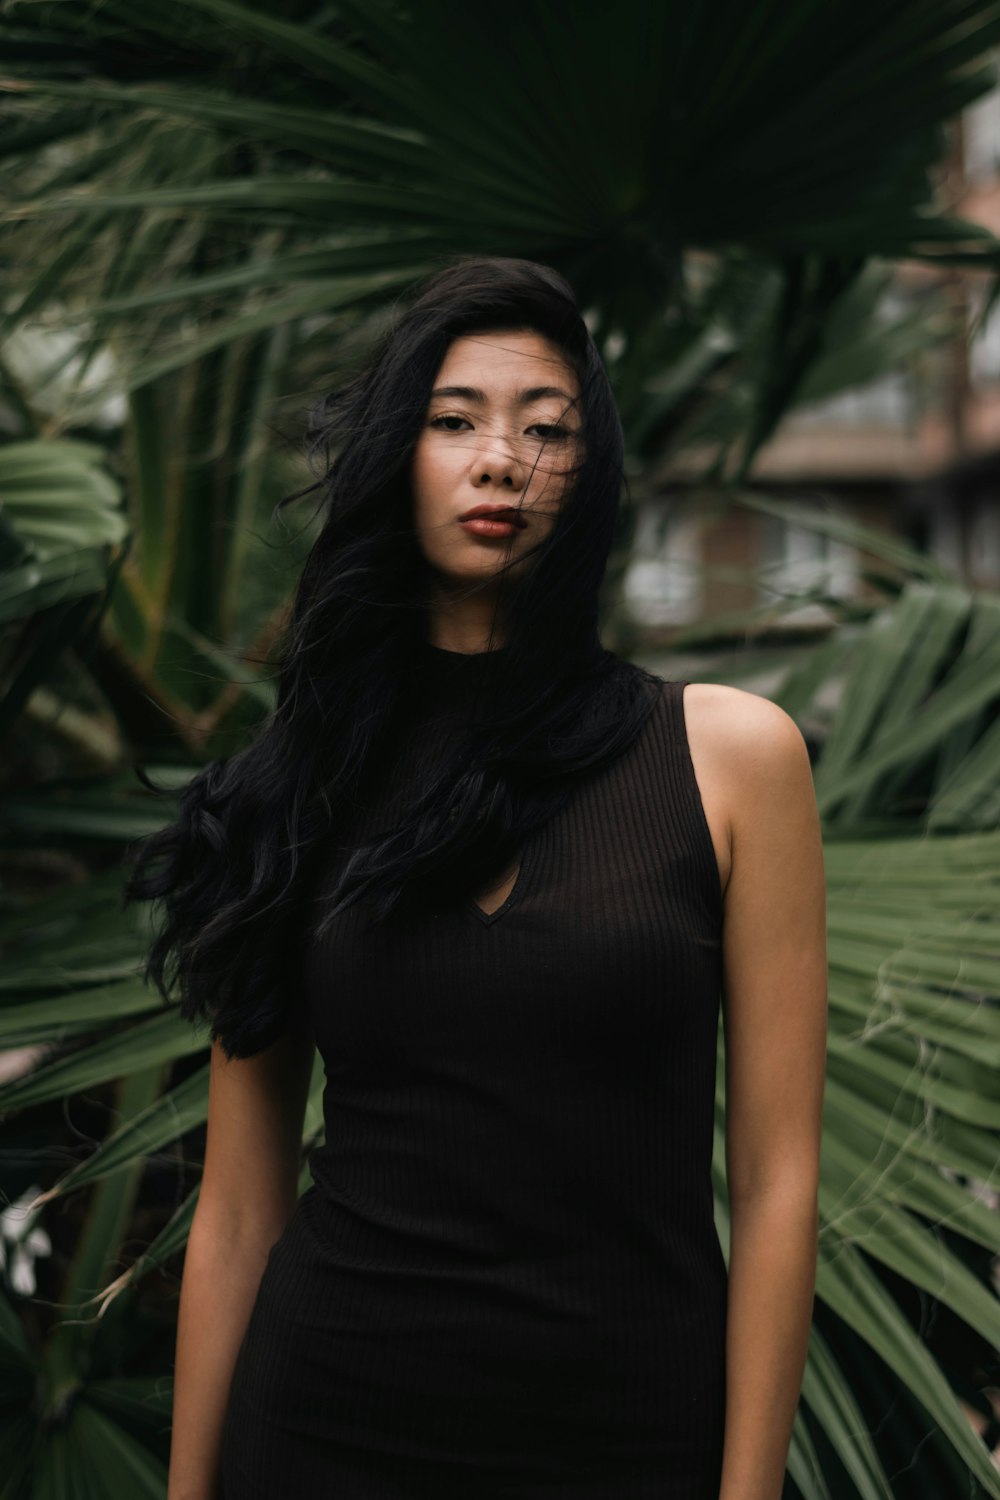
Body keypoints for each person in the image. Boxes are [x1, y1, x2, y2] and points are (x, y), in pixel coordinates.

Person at [126, 256, 828, 1500]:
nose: (501, 459)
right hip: (327, 1432)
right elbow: (237, 1214)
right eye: (454, 422)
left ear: (589, 478)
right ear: (397, 454)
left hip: (628, 1437)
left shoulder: (730, 758)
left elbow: (777, 1186)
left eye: (546, 432)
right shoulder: (294, 789)